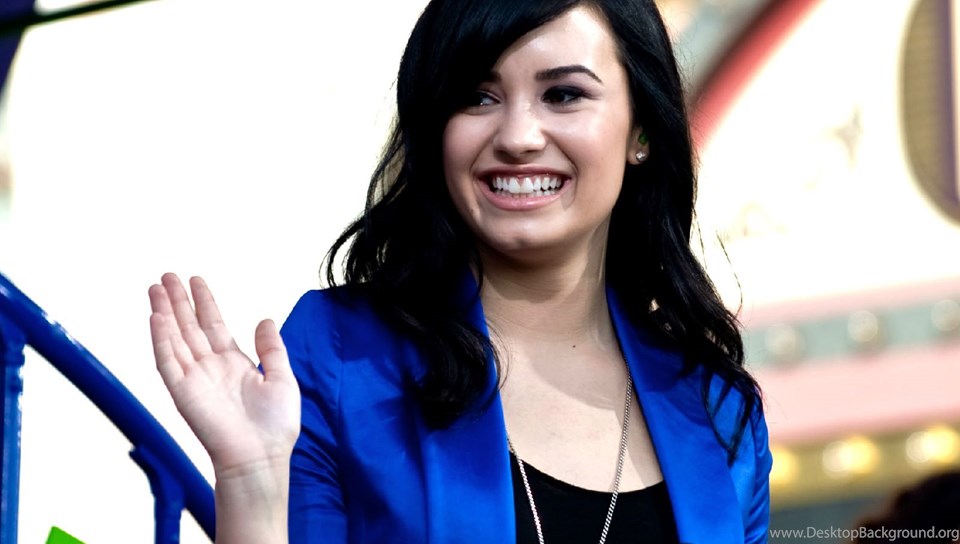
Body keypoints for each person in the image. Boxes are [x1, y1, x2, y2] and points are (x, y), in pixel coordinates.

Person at [147, 0, 772, 542]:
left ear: (641, 130)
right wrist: (251, 486)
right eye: (477, 97)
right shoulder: (340, 355)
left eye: (563, 95)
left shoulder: (720, 411)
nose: (519, 136)